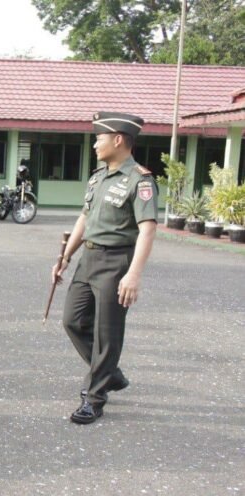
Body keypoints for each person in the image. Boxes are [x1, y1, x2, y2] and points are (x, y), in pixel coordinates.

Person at [53, 111, 158, 425]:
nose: (95, 144)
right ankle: (109, 372)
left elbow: (149, 228)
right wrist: (64, 258)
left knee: (106, 333)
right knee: (72, 320)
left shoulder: (140, 180)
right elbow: (84, 219)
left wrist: (134, 273)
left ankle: (95, 397)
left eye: (99, 138)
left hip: (117, 262)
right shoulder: (97, 177)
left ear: (118, 139)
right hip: (89, 258)